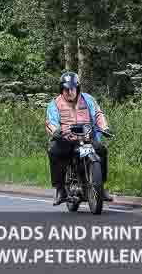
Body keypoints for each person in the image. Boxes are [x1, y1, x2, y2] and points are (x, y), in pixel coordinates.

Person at [45, 72, 114, 205]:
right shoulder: (55, 104)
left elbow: (98, 114)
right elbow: (50, 122)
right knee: (54, 151)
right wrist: (56, 131)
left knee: (101, 150)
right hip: (66, 140)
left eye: (72, 88)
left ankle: (101, 188)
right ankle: (60, 190)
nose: (69, 92)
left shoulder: (88, 99)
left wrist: (105, 128)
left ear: (77, 88)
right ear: (61, 89)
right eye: (66, 89)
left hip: (86, 138)